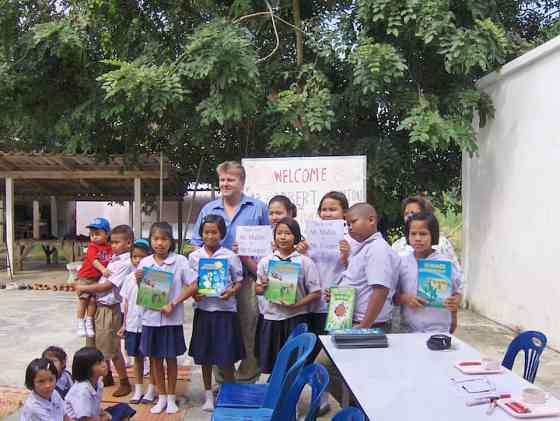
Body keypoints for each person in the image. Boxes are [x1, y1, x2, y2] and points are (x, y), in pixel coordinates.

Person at [191, 161, 269, 384]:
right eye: (222, 179)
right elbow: (195, 242)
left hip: (248, 279)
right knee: (217, 330)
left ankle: (246, 380)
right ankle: (223, 382)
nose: (225, 183)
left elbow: (267, 245)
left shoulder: (258, 208)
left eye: (230, 179)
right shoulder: (208, 209)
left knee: (249, 329)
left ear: (242, 182)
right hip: (214, 280)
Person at [318, 202, 399, 405]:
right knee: (341, 373)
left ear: (371, 220)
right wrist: (337, 295)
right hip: (352, 322)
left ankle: (359, 409)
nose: (349, 227)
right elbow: (358, 285)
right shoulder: (363, 249)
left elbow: (380, 290)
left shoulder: (378, 250)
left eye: (353, 221)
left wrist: (364, 327)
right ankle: (356, 408)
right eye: (347, 223)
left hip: (367, 325)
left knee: (326, 368)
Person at [136, 222, 197, 414]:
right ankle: (161, 397)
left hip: (171, 320)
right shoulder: (145, 263)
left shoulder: (180, 261)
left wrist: (174, 303)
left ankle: (171, 397)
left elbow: (193, 284)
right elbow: (144, 293)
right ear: (150, 240)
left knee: (171, 359)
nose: (160, 243)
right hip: (150, 319)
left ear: (171, 241)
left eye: (164, 239)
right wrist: (139, 281)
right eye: (156, 239)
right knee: (154, 359)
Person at [188, 214, 245, 412]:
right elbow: (191, 284)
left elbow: (239, 280)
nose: (210, 236)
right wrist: (195, 295)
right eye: (206, 232)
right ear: (201, 234)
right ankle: (208, 395)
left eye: (214, 232)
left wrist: (231, 291)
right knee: (205, 357)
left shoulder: (230, 256)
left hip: (225, 312)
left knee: (226, 356)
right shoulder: (194, 257)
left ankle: (229, 394)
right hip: (204, 311)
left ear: (222, 234)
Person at [255, 217, 321, 374]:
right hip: (272, 318)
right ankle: (275, 396)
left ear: (296, 237)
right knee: (274, 365)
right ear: (274, 236)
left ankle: (289, 397)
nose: (283, 237)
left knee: (292, 365)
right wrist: (262, 287)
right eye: (279, 233)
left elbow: (316, 293)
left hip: (295, 319)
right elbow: (258, 290)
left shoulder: (305, 262)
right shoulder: (265, 261)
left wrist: (297, 305)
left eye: (288, 233)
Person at [75, 225, 134, 397]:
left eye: (117, 242)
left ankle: (124, 382)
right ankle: (106, 376)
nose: (113, 245)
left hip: (109, 308)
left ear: (128, 243)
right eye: (112, 242)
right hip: (96, 307)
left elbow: (107, 285)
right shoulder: (111, 258)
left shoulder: (124, 263)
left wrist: (84, 287)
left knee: (112, 348)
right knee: (94, 345)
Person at [395, 212, 461, 333]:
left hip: (438, 329)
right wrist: (405, 298)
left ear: (433, 235)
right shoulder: (401, 263)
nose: (418, 238)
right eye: (413, 234)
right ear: (407, 236)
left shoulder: (445, 263)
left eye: (423, 234)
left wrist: (455, 303)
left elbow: (456, 292)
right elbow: (393, 296)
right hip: (408, 329)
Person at [118, 239, 156, 404]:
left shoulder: (154, 277)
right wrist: (124, 324)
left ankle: (152, 389)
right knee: (137, 358)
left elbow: (155, 299)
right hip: (133, 324)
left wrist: (143, 281)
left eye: (141, 256)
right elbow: (125, 303)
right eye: (134, 256)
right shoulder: (128, 278)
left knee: (153, 358)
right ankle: (138, 389)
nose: (137, 260)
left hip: (149, 323)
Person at [65, 347, 135, 421]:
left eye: (103, 360)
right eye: (98, 363)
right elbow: (84, 419)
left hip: (94, 416)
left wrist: (105, 414)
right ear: (86, 369)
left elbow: (95, 407)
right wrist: (105, 418)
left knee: (123, 407)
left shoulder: (98, 382)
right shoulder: (82, 391)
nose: (104, 365)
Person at [391, 196, 460, 269]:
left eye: (413, 213)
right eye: (406, 214)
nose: (409, 217)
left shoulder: (442, 243)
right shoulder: (398, 245)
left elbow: (456, 273)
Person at [76, 217, 112, 338]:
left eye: (97, 234)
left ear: (107, 234)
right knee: (83, 300)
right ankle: (80, 323)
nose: (94, 237)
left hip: (97, 279)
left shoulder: (109, 248)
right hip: (86, 277)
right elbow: (93, 260)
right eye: (91, 234)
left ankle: (89, 321)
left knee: (92, 301)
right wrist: (103, 270)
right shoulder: (92, 247)